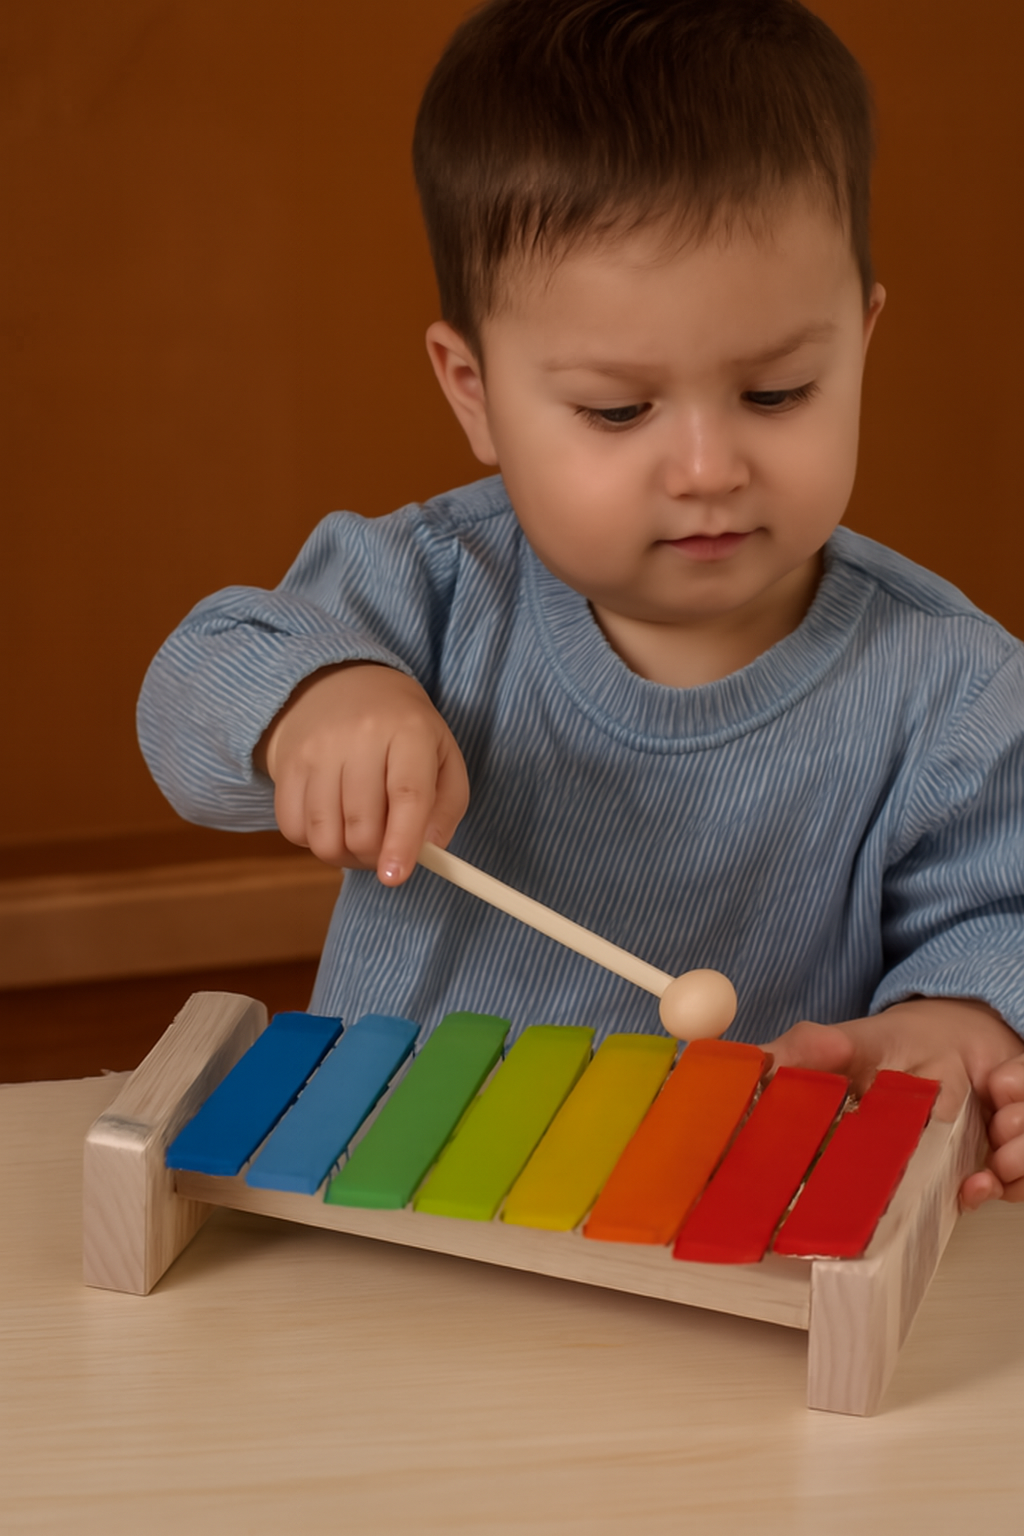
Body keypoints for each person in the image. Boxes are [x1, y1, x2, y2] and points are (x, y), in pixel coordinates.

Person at [138, 0, 1024, 1206]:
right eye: (619, 412)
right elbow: (200, 679)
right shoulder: (429, 590)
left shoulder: (954, 687)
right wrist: (315, 703)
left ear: (861, 342)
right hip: (389, 1206)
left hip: (719, 1240)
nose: (708, 466)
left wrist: (959, 1024)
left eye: (777, 392)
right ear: (476, 391)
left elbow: (1001, 907)